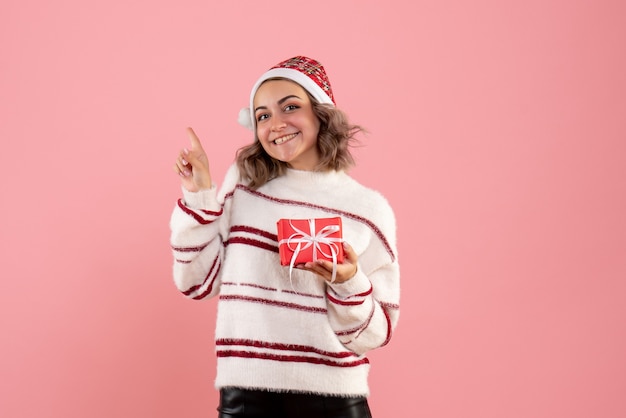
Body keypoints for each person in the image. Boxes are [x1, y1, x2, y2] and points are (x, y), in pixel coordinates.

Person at [170, 56, 400, 418]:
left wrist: (349, 282)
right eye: (262, 115)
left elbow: (375, 335)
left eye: (289, 107)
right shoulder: (243, 187)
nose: (275, 124)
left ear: (321, 112)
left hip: (334, 401)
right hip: (246, 396)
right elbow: (197, 283)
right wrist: (199, 194)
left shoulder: (368, 209)